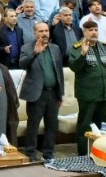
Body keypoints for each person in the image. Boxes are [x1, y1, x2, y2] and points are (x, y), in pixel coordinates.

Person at [19, 22, 64, 162]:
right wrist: (35, 53)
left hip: (53, 93)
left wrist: (60, 93)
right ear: (34, 33)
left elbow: (59, 72)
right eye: (41, 31)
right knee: (33, 125)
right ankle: (30, 153)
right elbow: (22, 64)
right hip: (36, 94)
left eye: (46, 31)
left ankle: (48, 154)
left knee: (52, 125)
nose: (44, 34)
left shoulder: (55, 48)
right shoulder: (27, 47)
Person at [69, 20, 106, 155]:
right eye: (90, 30)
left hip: (103, 93)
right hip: (87, 94)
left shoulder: (104, 47)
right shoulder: (77, 47)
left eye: (95, 30)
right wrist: (83, 54)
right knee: (85, 126)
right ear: (84, 32)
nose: (94, 32)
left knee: (102, 126)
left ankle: (100, 153)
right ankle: (83, 154)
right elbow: (74, 67)